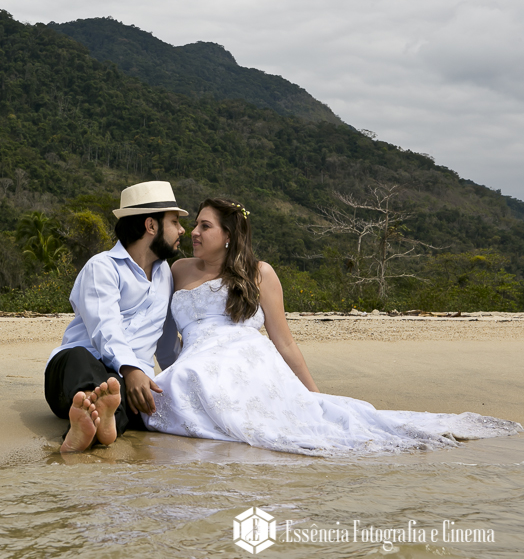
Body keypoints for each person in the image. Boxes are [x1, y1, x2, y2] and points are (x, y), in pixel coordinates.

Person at [142, 198, 521, 456]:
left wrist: (314, 395)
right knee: (181, 382)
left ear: (227, 235)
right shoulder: (176, 271)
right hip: (199, 356)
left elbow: (284, 342)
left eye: (204, 226)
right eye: (193, 225)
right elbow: (161, 334)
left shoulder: (260, 274)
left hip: (247, 356)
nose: (193, 232)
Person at [45, 181, 187, 453]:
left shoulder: (166, 275)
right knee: (82, 359)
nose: (181, 230)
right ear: (151, 226)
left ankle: (92, 428)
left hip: (127, 383)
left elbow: (167, 345)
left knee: (127, 390)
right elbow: (105, 328)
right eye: (175, 221)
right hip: (71, 374)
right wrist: (131, 369)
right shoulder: (102, 267)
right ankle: (92, 409)